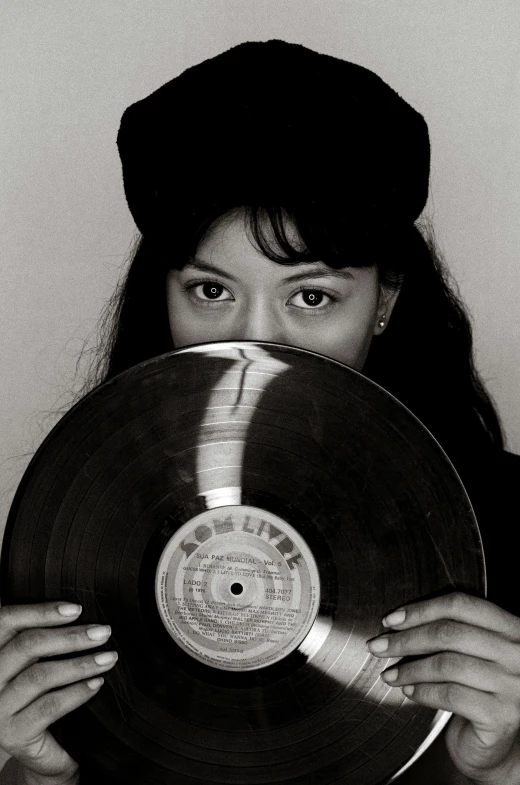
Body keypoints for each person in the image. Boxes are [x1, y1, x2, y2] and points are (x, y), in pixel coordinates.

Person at [0, 40, 519, 785]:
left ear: (385, 302)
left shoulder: (513, 522)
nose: (256, 342)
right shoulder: (77, 537)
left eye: (311, 296)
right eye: (212, 291)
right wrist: (44, 775)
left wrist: (503, 768)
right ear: (166, 293)